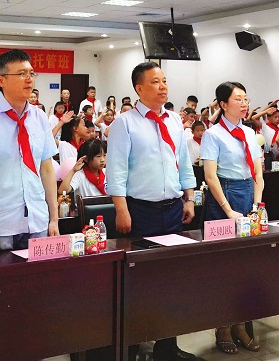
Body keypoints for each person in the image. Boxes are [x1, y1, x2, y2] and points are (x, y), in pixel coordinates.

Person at [107, 62, 198, 361]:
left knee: (170, 279)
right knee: (139, 281)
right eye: (155, 81)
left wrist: (188, 198)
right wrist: (121, 209)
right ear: (139, 88)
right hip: (140, 211)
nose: (163, 86)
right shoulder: (125, 123)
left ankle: (167, 347)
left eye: (164, 81)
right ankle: (131, 345)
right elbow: (116, 170)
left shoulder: (174, 120)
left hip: (173, 210)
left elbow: (183, 162)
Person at [0, 50, 59, 253]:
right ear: (1, 80)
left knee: (40, 274)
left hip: (37, 221)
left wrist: (53, 218)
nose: (29, 79)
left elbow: (47, 170)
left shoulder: (40, 118)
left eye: (31, 73)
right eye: (22, 74)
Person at [200, 82, 264, 354]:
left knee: (245, 264)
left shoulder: (249, 132)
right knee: (224, 266)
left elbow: (258, 173)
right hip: (223, 197)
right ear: (223, 104)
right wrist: (227, 210)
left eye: (246, 98)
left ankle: (240, 324)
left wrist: (257, 205)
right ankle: (222, 326)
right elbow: (210, 175)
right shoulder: (213, 134)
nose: (244, 103)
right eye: (238, 99)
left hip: (248, 193)